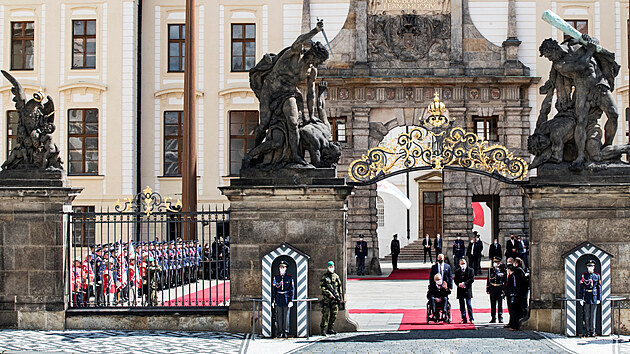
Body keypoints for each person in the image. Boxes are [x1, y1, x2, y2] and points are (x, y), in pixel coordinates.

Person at [320, 260, 343, 336]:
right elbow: (322, 287)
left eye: (332, 267)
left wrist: (340, 297)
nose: (331, 268)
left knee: (334, 314)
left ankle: (330, 328)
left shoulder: (336, 276)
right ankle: (323, 329)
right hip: (327, 299)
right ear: (327, 267)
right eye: (330, 267)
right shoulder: (324, 277)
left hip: (335, 299)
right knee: (325, 315)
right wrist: (329, 294)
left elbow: (339, 287)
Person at [579, 260, 601, 337]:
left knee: (593, 315)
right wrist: (581, 298)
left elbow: (599, 287)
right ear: (587, 267)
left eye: (592, 266)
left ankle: (593, 331)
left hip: (594, 297)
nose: (591, 268)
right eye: (589, 266)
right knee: (587, 315)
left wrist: (599, 298)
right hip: (587, 297)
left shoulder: (597, 276)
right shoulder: (584, 276)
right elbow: (581, 288)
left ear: (594, 267)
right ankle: (587, 331)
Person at [272, 261, 294, 338]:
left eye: (283, 267)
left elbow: (292, 290)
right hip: (278, 298)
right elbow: (274, 289)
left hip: (286, 298)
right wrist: (273, 300)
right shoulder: (276, 278)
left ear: (286, 269)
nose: (282, 269)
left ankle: (286, 331)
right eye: (281, 267)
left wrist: (291, 300)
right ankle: (280, 331)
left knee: (286, 316)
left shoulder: (289, 278)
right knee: (279, 316)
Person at [454, 258, 475, 324]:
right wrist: (459, 284)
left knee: (469, 304)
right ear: (459, 264)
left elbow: (471, 279)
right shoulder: (457, 271)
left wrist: (465, 284)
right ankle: (464, 318)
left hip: (467, 289)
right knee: (462, 306)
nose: (463, 265)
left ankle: (471, 318)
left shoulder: (470, 270)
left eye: (464, 263)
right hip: (460, 290)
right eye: (461, 264)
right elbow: (455, 280)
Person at [486, 256, 506, 323]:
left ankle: (500, 317)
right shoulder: (491, 270)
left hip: (499, 287)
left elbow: (504, 280)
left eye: (497, 262)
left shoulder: (503, 269)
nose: (496, 263)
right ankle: (493, 317)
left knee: (500, 304)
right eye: (495, 262)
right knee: (493, 304)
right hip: (492, 288)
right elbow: (488, 279)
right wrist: (488, 288)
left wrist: (504, 289)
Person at [504, 264, 522, 330]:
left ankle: (514, 326)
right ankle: (511, 324)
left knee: (513, 311)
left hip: (513, 295)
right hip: (510, 295)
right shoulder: (511, 276)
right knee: (511, 311)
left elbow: (514, 286)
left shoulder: (513, 276)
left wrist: (512, 294)